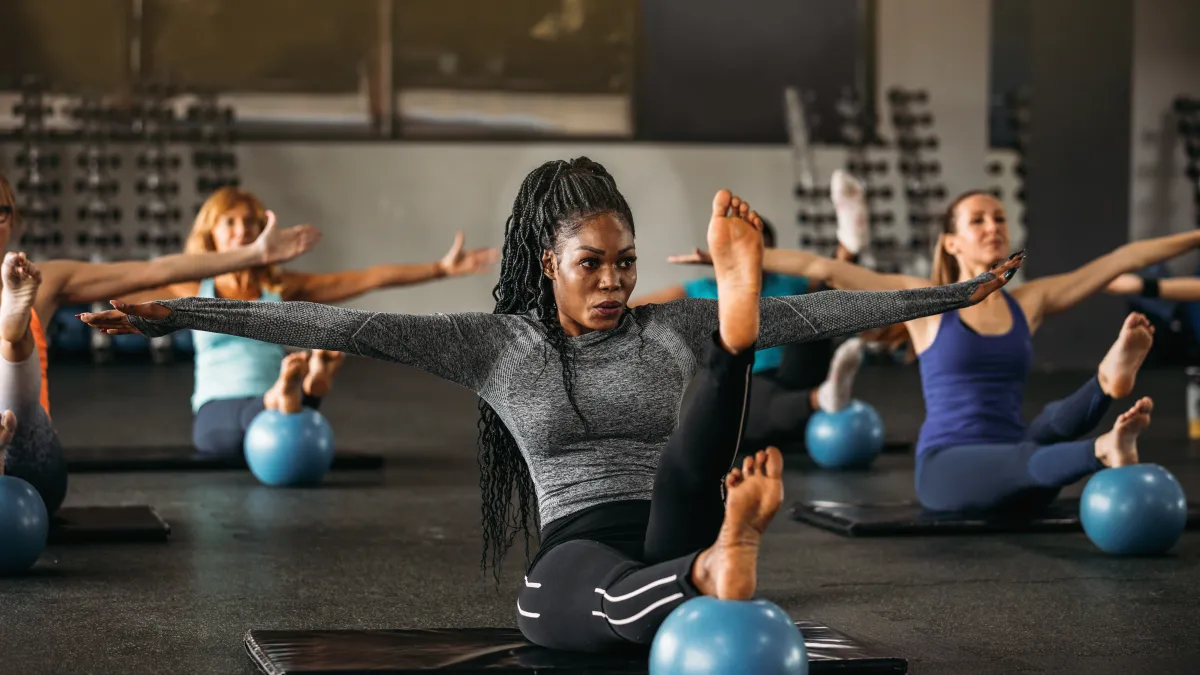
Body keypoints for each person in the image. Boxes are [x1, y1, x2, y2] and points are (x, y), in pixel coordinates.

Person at [79, 158, 1021, 651]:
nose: (613, 282)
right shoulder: (498, 344)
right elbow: (346, 329)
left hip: (676, 497)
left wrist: (949, 295)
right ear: (546, 265)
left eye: (625, 263)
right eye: (590, 266)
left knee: (726, 367)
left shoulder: (664, 326)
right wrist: (172, 308)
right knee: (565, 602)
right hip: (604, 540)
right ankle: (712, 568)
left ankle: (734, 347)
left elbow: (821, 308)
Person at [670, 184, 1190, 514]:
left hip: (1024, 456)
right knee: (1035, 453)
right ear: (951, 242)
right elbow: (822, 269)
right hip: (952, 468)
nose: (993, 227)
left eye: (999, 219)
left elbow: (1123, 258)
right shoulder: (926, 304)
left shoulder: (1029, 302)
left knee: (1051, 422)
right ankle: (1100, 449)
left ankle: (1106, 383)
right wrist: (735, 257)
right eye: (978, 220)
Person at [0, 172, 321, 512]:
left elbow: (155, 271)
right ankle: (11, 338)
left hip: (31, 463)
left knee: (17, 378)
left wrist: (255, 254)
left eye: (0, 212)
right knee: (13, 344)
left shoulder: (42, 281)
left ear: (13, 220)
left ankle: (11, 338)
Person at [119, 187, 499, 456]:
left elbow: (365, 278)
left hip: (281, 417)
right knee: (276, 415)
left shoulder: (279, 286)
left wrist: (440, 269)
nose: (242, 230)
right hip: (218, 410)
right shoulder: (191, 285)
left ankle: (293, 389)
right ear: (211, 234)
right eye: (229, 222)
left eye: (250, 222)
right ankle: (301, 387)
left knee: (288, 417)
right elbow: (135, 276)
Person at [632, 173, 874, 451]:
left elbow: (832, 278)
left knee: (816, 303)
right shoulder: (703, 288)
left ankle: (850, 241)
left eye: (762, 252)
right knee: (741, 398)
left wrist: (845, 254)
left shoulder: (790, 283)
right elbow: (637, 309)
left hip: (796, 373)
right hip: (749, 383)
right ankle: (824, 398)